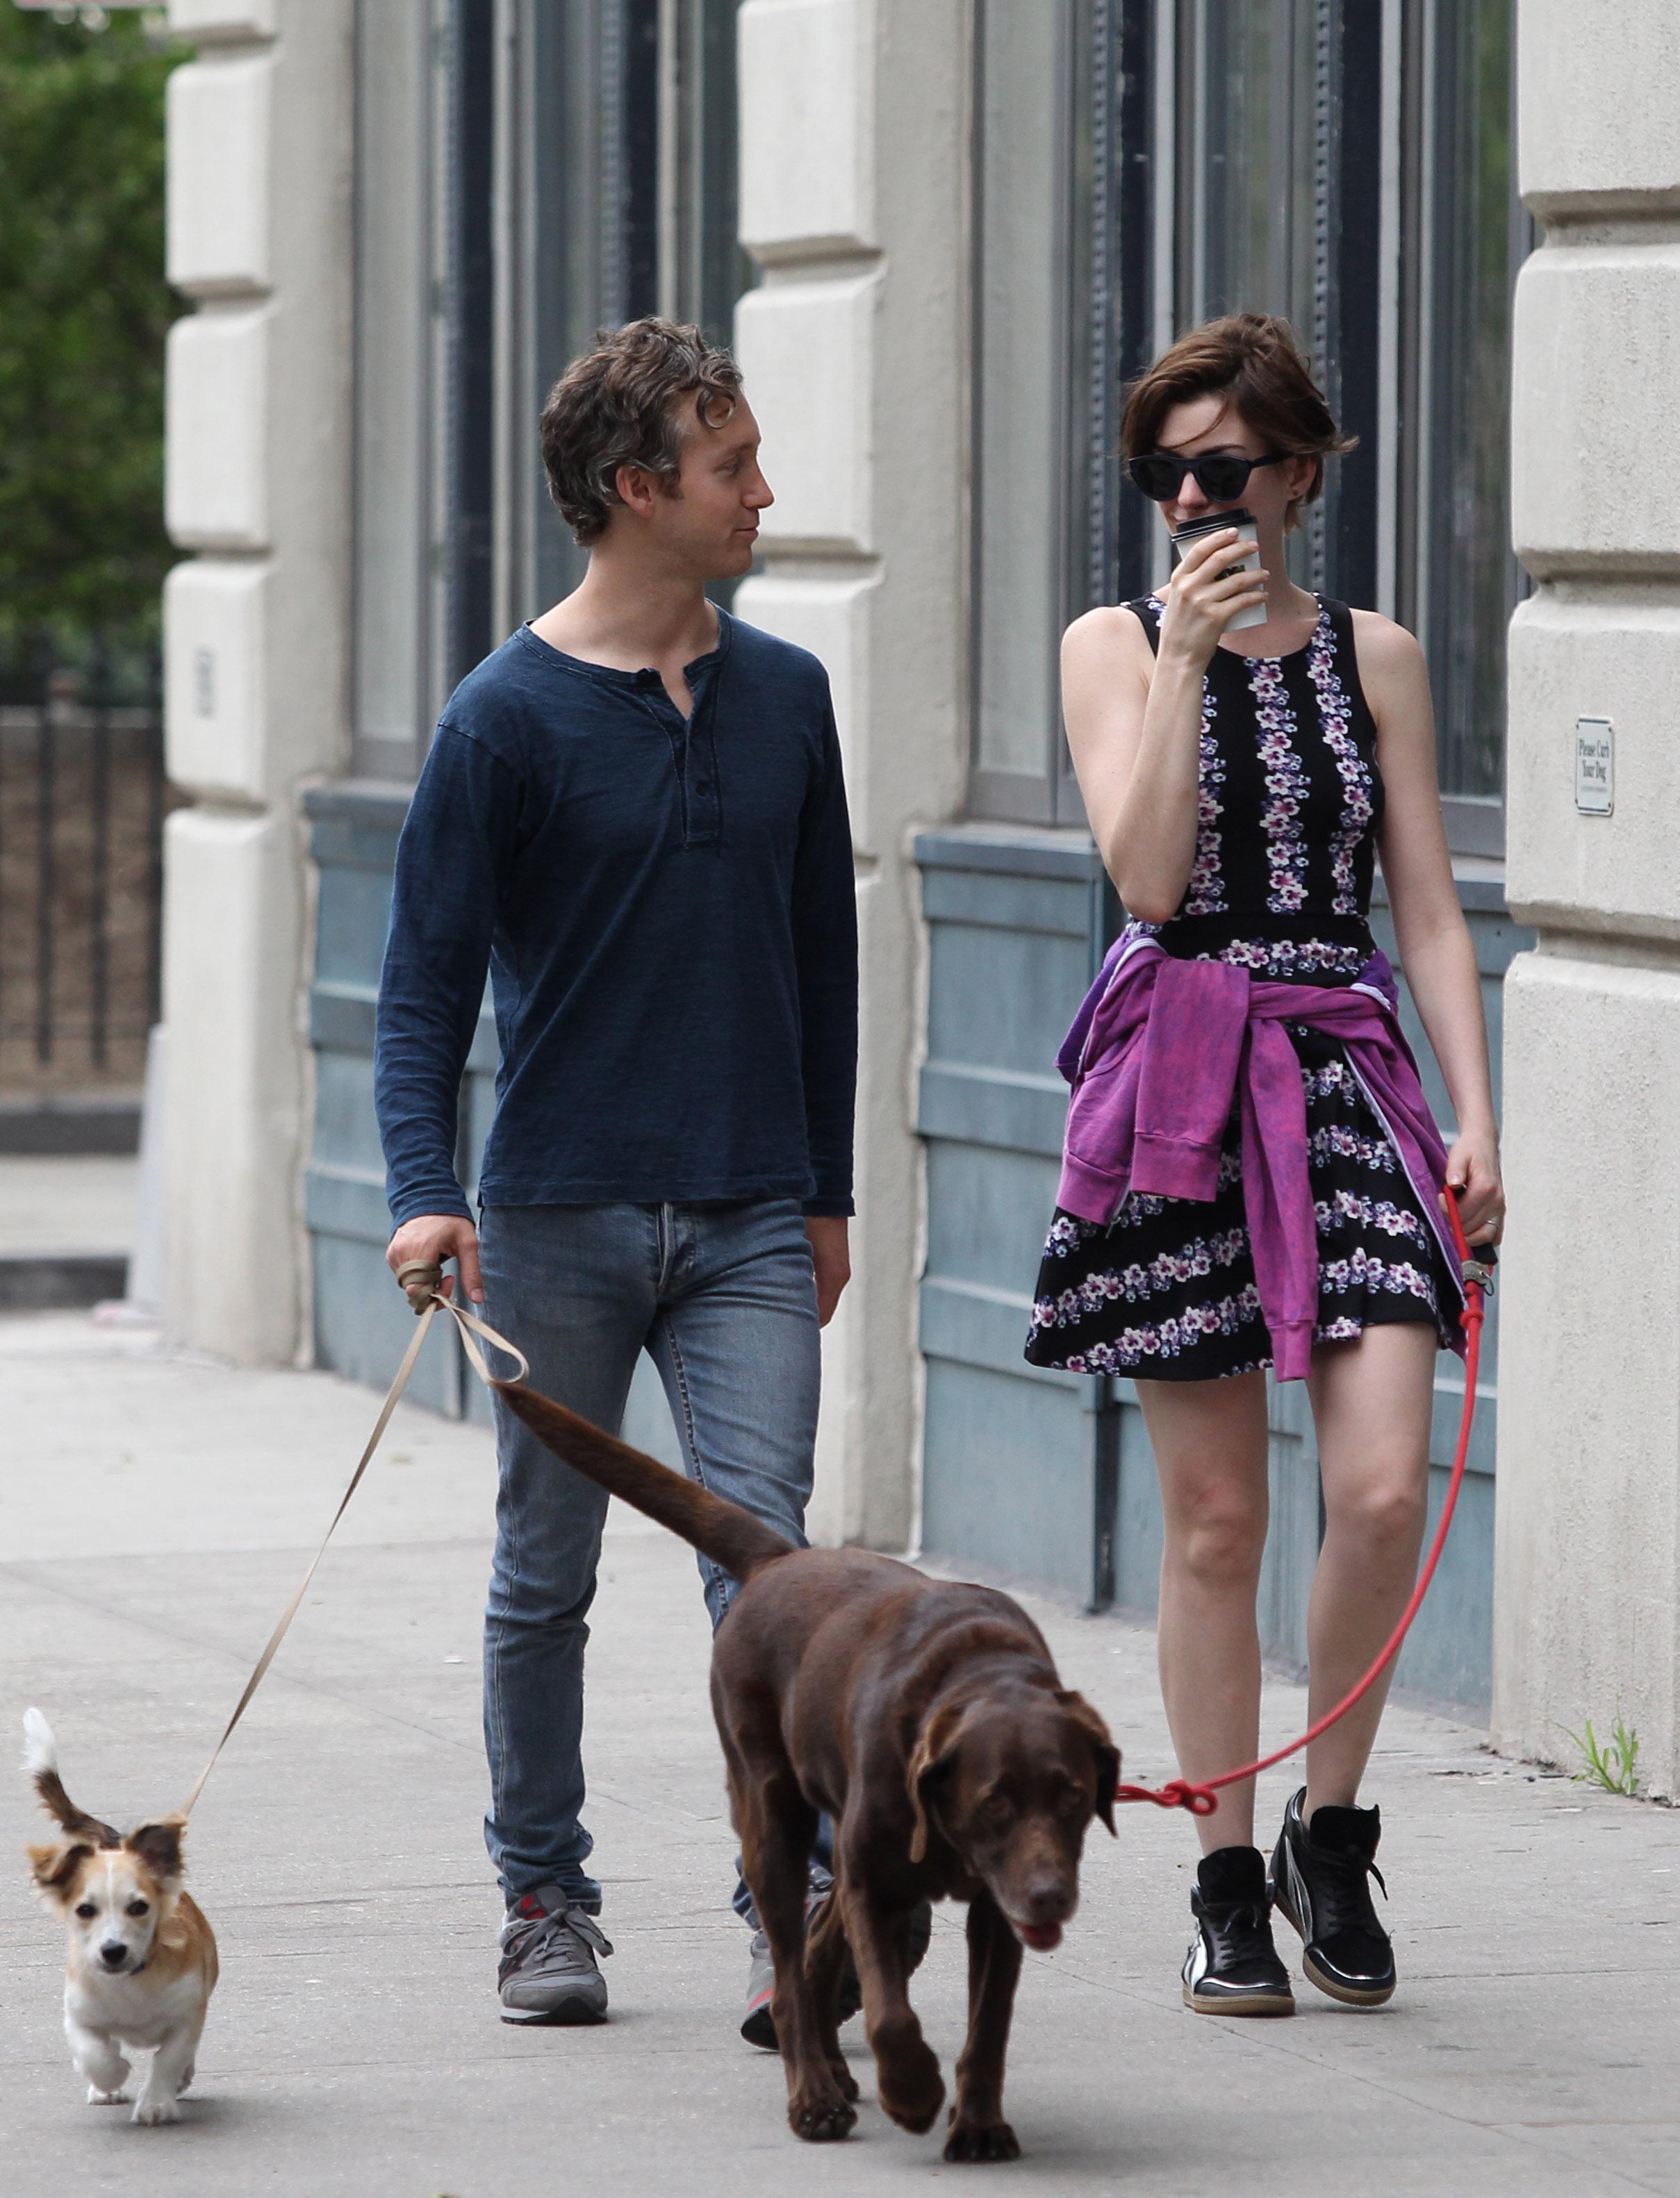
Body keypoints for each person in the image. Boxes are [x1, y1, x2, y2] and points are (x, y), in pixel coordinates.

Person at [374, 319, 858, 2038]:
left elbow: (827, 954)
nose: (764, 491)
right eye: (733, 466)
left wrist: (827, 1192)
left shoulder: (789, 695)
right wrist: (426, 1188)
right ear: (637, 491)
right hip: (558, 1214)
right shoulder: (501, 719)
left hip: (746, 1211)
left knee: (773, 1570)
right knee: (544, 1575)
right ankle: (541, 1899)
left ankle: (783, 1897)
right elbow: (424, 980)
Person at [1026, 314, 1504, 2017]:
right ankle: (1225, 1875)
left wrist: (1476, 1108)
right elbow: (1149, 880)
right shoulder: (1110, 645)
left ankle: (1330, 1827)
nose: (1192, 501)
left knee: (1380, 1488)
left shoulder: (1377, 654)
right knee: (1218, 1519)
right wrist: (1180, 671)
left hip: (1346, 1070)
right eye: (1164, 473)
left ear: (1299, 475)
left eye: (1223, 469)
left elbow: (1430, 904)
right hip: (1183, 1081)